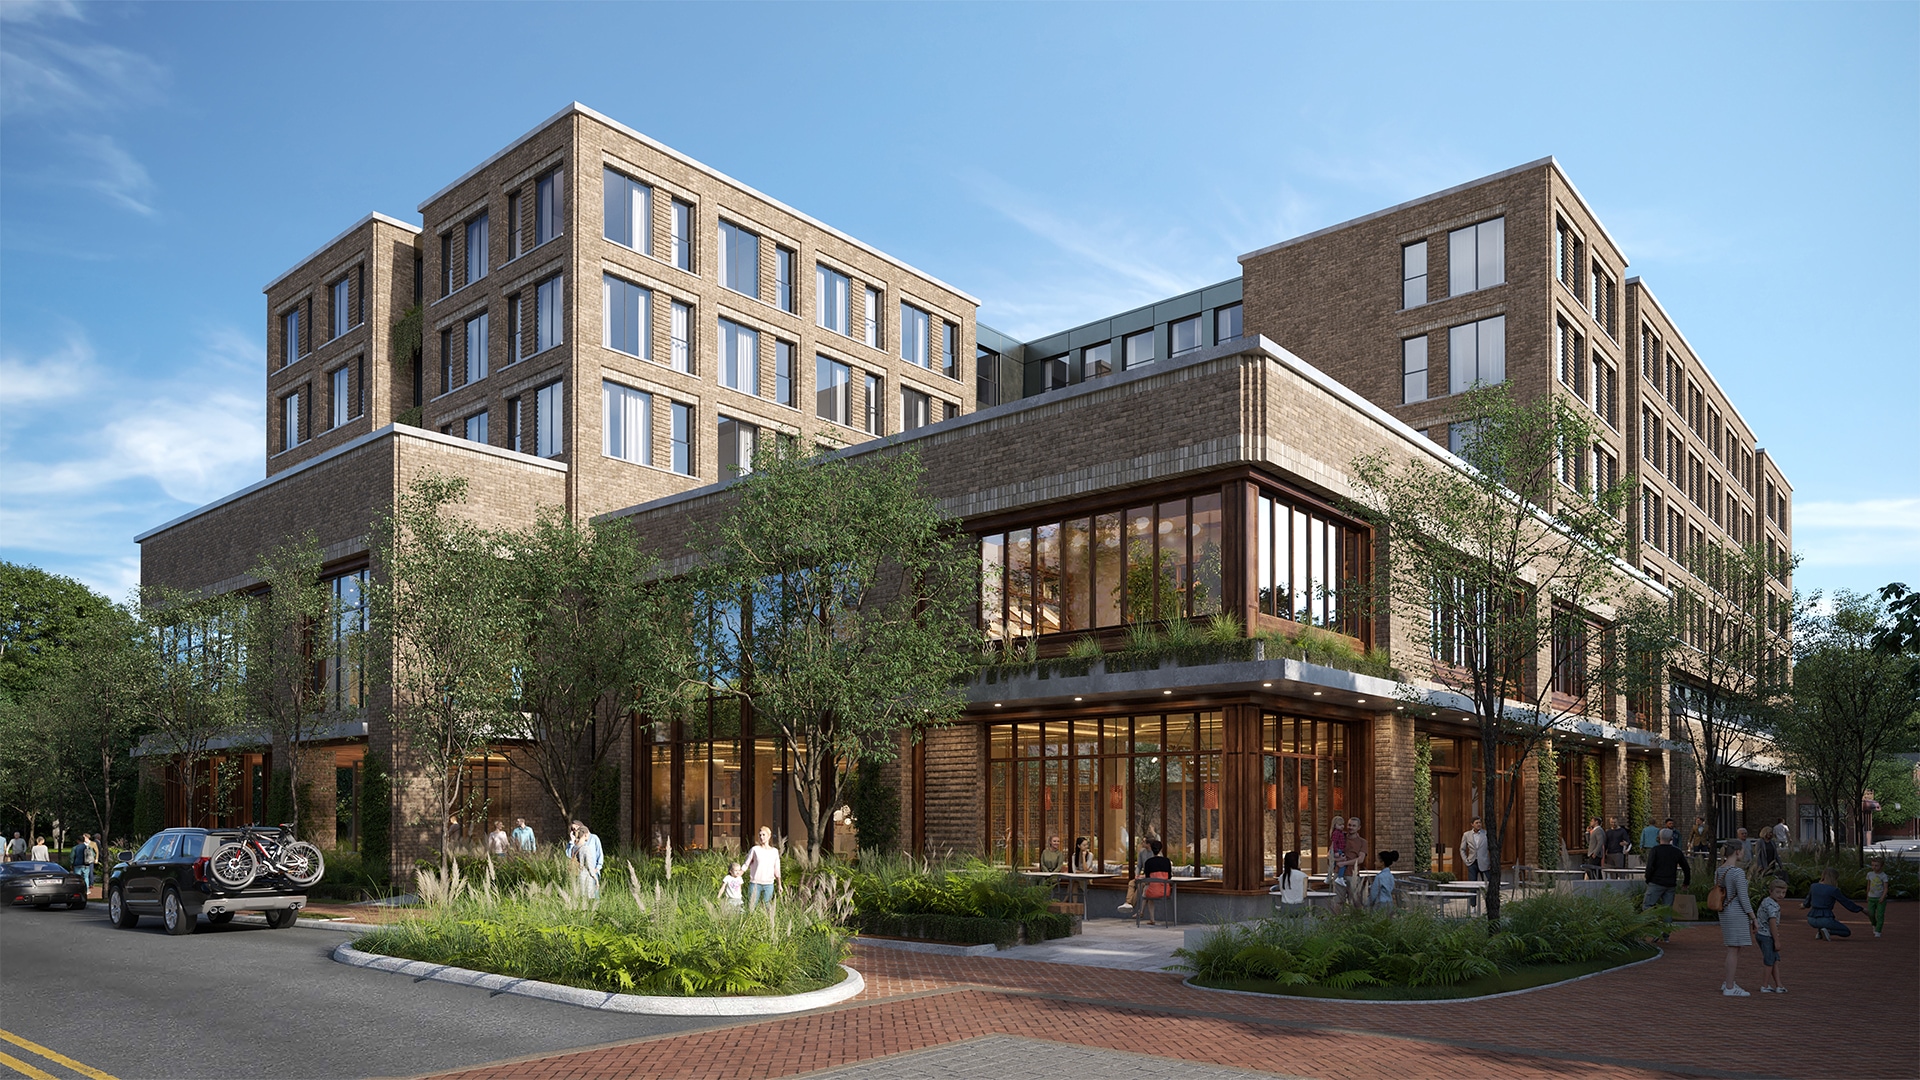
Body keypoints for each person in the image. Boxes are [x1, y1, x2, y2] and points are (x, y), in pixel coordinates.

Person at [1714, 840, 1757, 996]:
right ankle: (1730, 986)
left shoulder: (1719, 870)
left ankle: (1728, 981)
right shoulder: (1737, 872)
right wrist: (1753, 917)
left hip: (1724, 911)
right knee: (1734, 948)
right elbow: (1743, 897)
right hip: (1736, 912)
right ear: (1738, 851)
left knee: (1733, 947)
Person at [1642, 828, 1691, 941]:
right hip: (1670, 884)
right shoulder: (1677, 851)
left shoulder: (1655, 850)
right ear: (1671, 839)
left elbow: (1650, 867)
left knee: (1648, 906)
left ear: (1659, 838)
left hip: (1656, 882)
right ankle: (1666, 935)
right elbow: (1686, 868)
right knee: (1667, 909)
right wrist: (1686, 882)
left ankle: (1655, 929)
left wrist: (1648, 879)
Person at [1802, 867, 1864, 940]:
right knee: (1846, 932)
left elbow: (1807, 901)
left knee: (1822, 924)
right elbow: (1846, 902)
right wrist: (1861, 909)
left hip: (1811, 919)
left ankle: (1820, 931)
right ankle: (1828, 931)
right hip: (1825, 919)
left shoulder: (1813, 886)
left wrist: (1803, 905)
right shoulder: (1834, 890)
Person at [1756, 878, 1787, 993]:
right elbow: (1772, 923)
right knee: (1769, 961)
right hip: (1767, 936)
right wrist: (1776, 940)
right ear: (1771, 891)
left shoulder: (1766, 901)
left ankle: (1779, 984)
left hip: (1761, 934)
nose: (1781, 895)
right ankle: (1764, 985)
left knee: (1774, 960)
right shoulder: (1772, 906)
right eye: (1778, 892)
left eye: (1783, 892)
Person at [1117, 837, 1162, 912]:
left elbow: (1156, 869)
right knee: (1132, 882)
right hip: (1143, 875)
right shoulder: (1142, 852)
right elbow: (1139, 866)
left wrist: (1144, 876)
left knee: (1140, 885)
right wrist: (1136, 874)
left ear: (1148, 844)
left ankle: (1130, 904)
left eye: (1143, 842)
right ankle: (1128, 902)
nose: (1142, 843)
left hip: (1151, 877)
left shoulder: (1156, 853)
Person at [1137, 839, 1174, 925]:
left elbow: (1147, 878)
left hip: (1152, 891)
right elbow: (1169, 877)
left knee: (1147, 892)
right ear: (1161, 849)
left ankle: (1148, 916)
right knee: (1148, 891)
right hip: (1165, 891)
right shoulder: (1167, 861)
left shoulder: (1148, 862)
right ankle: (1142, 913)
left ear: (1151, 849)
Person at [743, 826, 781, 909]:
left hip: (769, 884)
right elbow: (746, 864)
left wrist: (779, 885)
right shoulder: (755, 849)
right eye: (760, 835)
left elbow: (777, 869)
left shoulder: (774, 851)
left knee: (767, 907)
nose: (761, 837)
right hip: (755, 883)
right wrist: (738, 875)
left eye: (763, 835)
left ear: (769, 836)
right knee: (752, 906)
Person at [565, 820, 604, 900]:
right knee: (586, 897)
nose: (575, 830)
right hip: (582, 873)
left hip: (593, 871)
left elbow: (599, 854)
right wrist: (571, 841)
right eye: (572, 829)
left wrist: (597, 868)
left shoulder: (594, 838)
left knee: (594, 896)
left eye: (576, 828)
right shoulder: (574, 843)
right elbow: (569, 855)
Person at [1339, 818, 1369, 908]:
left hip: (1352, 875)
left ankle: (1358, 921)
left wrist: (1345, 863)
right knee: (1338, 901)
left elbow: (1360, 859)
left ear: (1358, 827)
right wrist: (1337, 858)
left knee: (1356, 901)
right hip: (1339, 874)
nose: (1350, 827)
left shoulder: (1362, 842)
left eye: (1353, 826)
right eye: (1349, 825)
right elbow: (1330, 854)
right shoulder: (1341, 837)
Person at [1865, 857, 1890, 938]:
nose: (1874, 867)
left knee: (1880, 915)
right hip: (1871, 897)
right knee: (1870, 913)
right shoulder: (1869, 874)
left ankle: (1878, 930)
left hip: (1880, 898)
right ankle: (1874, 924)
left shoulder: (1884, 876)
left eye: (1876, 865)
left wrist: (1883, 897)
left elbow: (1886, 888)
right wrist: (1867, 895)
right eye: (1872, 865)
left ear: (1881, 866)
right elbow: (1868, 885)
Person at [1460, 817, 1490, 882]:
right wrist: (1466, 860)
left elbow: (1491, 848)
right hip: (1472, 862)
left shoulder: (1486, 834)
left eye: (1480, 823)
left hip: (1484, 862)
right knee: (1472, 883)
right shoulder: (1466, 835)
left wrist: (1490, 862)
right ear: (1472, 824)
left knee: (1486, 883)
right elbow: (1462, 849)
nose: (1479, 824)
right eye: (1476, 823)